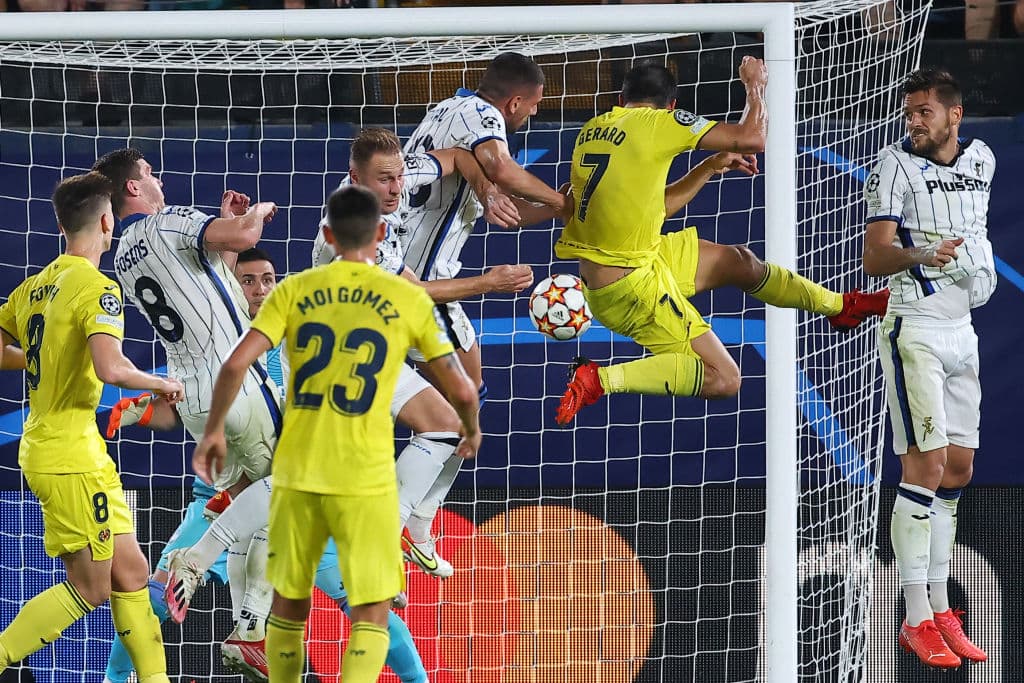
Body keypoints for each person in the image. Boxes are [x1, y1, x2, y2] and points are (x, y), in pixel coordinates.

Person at [190, 185, 481, 683]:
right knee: (371, 613)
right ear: (383, 234)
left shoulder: (294, 291)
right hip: (364, 480)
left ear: (326, 235)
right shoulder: (402, 298)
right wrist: (470, 430)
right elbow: (461, 387)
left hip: (299, 472)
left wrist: (213, 430)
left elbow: (236, 363)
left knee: (286, 606)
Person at [114, 245, 429, 683]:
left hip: (287, 495)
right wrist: (145, 411)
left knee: (365, 603)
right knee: (153, 595)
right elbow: (184, 408)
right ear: (228, 285)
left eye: (268, 279)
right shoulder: (215, 342)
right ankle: (117, 677)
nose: (261, 289)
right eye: (248, 280)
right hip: (221, 498)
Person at [553, 58, 890, 424]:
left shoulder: (595, 127)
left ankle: (840, 306)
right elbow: (752, 138)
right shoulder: (658, 124)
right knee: (725, 378)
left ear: (621, 98)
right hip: (632, 287)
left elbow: (657, 209)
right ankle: (599, 379)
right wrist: (755, 86)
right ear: (671, 107)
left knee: (738, 262)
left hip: (640, 257)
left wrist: (709, 167)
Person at [92, 148, 281, 671]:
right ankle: (195, 561)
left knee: (256, 501)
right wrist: (257, 212)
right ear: (132, 188)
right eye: (150, 174)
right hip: (237, 381)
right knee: (295, 480)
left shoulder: (123, 259)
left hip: (194, 396)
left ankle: (249, 629)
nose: (158, 180)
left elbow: (207, 293)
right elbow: (245, 238)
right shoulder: (167, 221)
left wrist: (221, 235)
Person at [313, 127, 532, 578]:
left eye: (399, 177)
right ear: (354, 177)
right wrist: (489, 283)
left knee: (456, 419)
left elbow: (454, 155)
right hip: (343, 357)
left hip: (375, 343)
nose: (396, 189)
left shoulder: (390, 184)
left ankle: (412, 525)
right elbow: (413, 292)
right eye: (384, 181)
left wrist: (487, 191)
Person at [0, 172, 183, 681]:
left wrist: (41, 357)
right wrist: (161, 384)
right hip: (67, 456)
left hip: (74, 450)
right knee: (91, 587)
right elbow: (111, 369)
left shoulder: (33, 286)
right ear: (107, 221)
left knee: (132, 574)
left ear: (62, 225)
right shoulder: (99, 288)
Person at [863, 67, 992, 669]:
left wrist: (980, 271)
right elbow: (874, 256)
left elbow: (977, 237)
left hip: (961, 329)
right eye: (909, 111)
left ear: (953, 115)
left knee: (959, 470)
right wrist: (923, 254)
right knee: (926, 466)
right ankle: (914, 616)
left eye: (924, 112)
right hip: (911, 327)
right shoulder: (894, 165)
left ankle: (942, 607)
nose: (913, 121)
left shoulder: (983, 161)